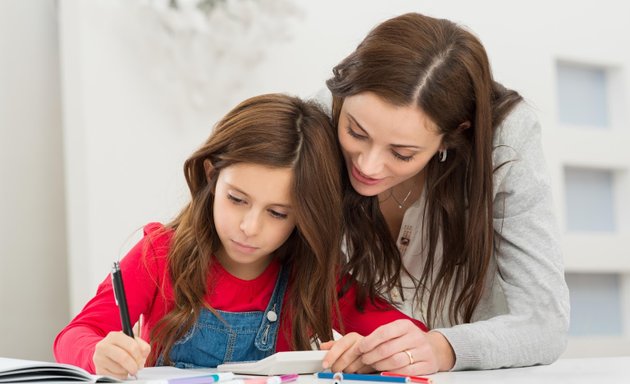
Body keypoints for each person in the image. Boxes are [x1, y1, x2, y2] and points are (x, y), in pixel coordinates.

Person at [53, 93, 426, 379]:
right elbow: (74, 335)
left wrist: (369, 352)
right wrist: (99, 353)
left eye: (278, 213)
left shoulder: (313, 274)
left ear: (305, 217)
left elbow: (412, 338)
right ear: (211, 175)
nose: (249, 227)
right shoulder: (159, 254)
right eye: (236, 199)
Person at [319, 13, 570, 374]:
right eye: (356, 133)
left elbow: (544, 322)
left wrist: (441, 348)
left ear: (454, 134)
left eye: (402, 153)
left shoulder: (504, 139)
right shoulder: (318, 118)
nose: (369, 166)